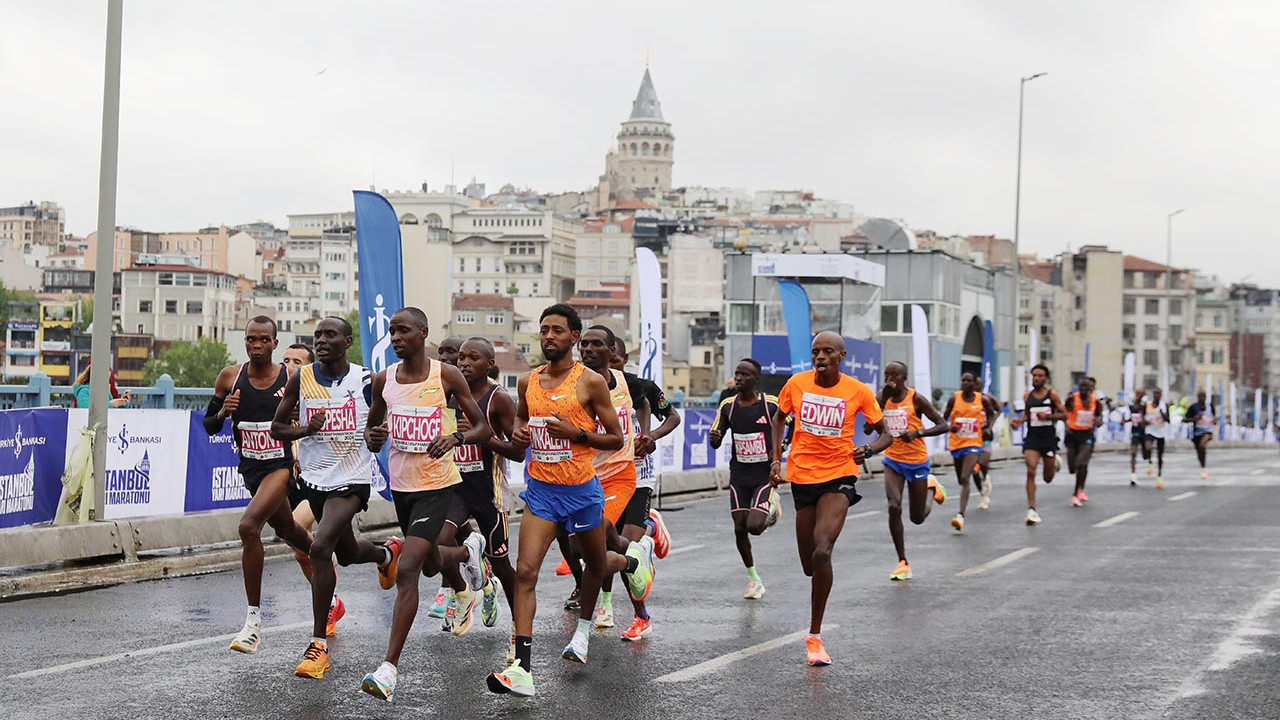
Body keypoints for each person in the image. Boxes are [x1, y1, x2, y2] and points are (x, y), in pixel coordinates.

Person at [486, 304, 654, 698]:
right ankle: (522, 668)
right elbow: (521, 422)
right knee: (525, 572)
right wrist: (520, 434)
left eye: (557, 330)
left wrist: (575, 434)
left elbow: (615, 438)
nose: (549, 336)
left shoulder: (590, 382)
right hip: (542, 492)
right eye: (544, 329)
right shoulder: (528, 381)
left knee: (595, 563)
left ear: (573, 337)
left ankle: (624, 571)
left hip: (582, 492)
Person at [358, 309, 493, 702]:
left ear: (423, 333)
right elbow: (372, 429)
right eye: (391, 332)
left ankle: (388, 669)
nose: (396, 338)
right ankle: (468, 551)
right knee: (432, 563)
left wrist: (455, 438)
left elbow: (481, 426)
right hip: (403, 487)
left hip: (438, 486)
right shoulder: (383, 380)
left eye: (403, 331)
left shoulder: (445, 376)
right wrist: (374, 437)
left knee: (409, 569)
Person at [270, 316, 404, 680]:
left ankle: (318, 646)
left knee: (319, 548)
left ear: (347, 342)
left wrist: (376, 437)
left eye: (330, 335)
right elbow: (277, 428)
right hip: (314, 481)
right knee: (346, 553)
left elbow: (377, 426)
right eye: (318, 335)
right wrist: (305, 429)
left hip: (352, 481)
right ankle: (386, 554)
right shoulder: (302, 378)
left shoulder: (366, 380)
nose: (321, 340)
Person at [770, 331, 890, 666]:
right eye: (815, 352)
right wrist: (776, 459)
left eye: (827, 351)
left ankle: (815, 637)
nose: (820, 357)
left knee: (823, 550)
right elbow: (779, 418)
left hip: (840, 475)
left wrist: (868, 450)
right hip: (802, 477)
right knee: (810, 565)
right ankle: (815, 614)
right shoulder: (796, 384)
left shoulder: (858, 390)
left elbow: (886, 434)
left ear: (841, 356)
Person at [204, 317, 316, 654]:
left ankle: (253, 623)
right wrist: (222, 412)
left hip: (280, 467)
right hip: (251, 468)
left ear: (275, 344)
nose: (257, 345)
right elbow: (209, 425)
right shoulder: (230, 377)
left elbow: (312, 416)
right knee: (288, 529)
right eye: (251, 339)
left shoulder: (291, 378)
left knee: (249, 527)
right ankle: (323, 565)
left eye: (264, 340)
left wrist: (300, 419)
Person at [441, 338, 522, 647]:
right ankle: (465, 591)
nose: (464, 363)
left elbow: (518, 452)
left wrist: (482, 437)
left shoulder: (498, 399)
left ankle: (518, 626)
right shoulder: (448, 395)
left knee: (501, 563)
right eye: (461, 357)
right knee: (439, 543)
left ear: (489, 364)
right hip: (455, 490)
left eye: (473, 358)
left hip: (490, 493)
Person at [278, 343, 347, 633]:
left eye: (297, 361)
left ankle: (328, 594)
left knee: (296, 528)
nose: (289, 366)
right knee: (299, 551)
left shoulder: (319, 392)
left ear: (309, 367)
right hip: (289, 480)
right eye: (286, 360)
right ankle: (331, 600)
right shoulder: (278, 393)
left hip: (319, 478)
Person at [709, 358, 781, 597]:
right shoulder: (728, 406)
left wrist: (779, 450)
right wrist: (715, 438)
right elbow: (716, 437)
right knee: (740, 528)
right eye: (737, 374)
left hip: (763, 475)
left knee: (754, 527)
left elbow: (789, 424)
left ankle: (772, 508)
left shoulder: (770, 404)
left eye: (745, 375)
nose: (739, 378)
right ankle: (754, 579)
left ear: (756, 379)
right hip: (739, 475)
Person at [877, 361, 948, 579]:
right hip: (893, 461)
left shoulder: (916, 399)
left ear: (904, 378)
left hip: (916, 461)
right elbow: (868, 428)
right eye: (886, 375)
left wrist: (917, 433)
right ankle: (903, 562)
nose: (889, 380)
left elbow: (943, 425)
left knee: (917, 518)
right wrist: (881, 401)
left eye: (894, 375)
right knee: (893, 505)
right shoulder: (882, 399)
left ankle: (931, 488)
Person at [941, 371, 998, 532]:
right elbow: (943, 419)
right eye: (963, 380)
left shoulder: (982, 399)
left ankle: (960, 515)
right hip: (957, 444)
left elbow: (993, 414)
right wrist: (949, 427)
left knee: (965, 477)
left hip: (974, 443)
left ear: (974, 384)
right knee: (961, 479)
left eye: (968, 380)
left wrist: (988, 427)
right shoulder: (954, 398)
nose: (965, 383)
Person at [1009, 364, 1066, 526]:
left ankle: (1054, 462)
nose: (1037, 378)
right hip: (1032, 438)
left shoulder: (1052, 395)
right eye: (1034, 375)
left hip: (1048, 438)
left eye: (1040, 376)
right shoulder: (1027, 396)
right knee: (1031, 470)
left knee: (1048, 478)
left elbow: (1065, 415)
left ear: (1046, 378)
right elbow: (1028, 415)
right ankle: (1031, 509)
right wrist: (1019, 422)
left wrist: (1048, 417)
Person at [1063, 376, 1103, 506]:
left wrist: (1098, 421)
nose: (1083, 389)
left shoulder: (1096, 401)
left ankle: (1077, 492)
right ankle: (1078, 488)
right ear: (1078, 388)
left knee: (1082, 463)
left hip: (1086, 435)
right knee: (1072, 467)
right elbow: (1063, 412)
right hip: (1072, 434)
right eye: (1081, 387)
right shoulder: (1072, 399)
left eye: (1086, 387)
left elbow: (1099, 416)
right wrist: (1066, 425)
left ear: (1091, 388)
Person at [972, 389, 1000, 510]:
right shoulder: (963, 401)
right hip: (971, 439)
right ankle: (982, 494)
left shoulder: (986, 399)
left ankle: (985, 476)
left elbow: (997, 411)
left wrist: (989, 427)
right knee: (973, 469)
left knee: (982, 462)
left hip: (985, 437)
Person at [1143, 388, 1171, 489]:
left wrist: (1162, 413)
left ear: (1161, 395)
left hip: (1160, 432)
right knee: (1148, 447)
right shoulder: (1148, 405)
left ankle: (1159, 475)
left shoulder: (1164, 405)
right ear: (1153, 395)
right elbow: (1143, 417)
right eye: (1155, 394)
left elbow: (1168, 420)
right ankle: (1150, 461)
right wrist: (1145, 422)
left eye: (1158, 394)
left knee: (1160, 455)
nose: (1156, 396)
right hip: (1150, 430)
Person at [1185, 389, 1216, 480]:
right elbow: (1185, 419)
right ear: (1197, 397)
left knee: (1202, 445)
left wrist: (1214, 421)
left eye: (1204, 396)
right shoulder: (1193, 407)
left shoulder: (1210, 406)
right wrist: (1195, 419)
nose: (1202, 398)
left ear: (1206, 397)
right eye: (1200, 396)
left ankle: (1203, 468)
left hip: (1207, 431)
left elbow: (1213, 417)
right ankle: (1203, 468)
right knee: (1199, 452)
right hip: (1196, 433)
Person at [1127, 391, 1149, 486]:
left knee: (1146, 454)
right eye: (1137, 394)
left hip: (1144, 432)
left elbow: (1148, 418)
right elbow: (1132, 417)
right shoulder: (1132, 405)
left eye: (1140, 394)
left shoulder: (1145, 405)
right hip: (1135, 432)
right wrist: (1125, 421)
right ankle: (1133, 475)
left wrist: (1144, 421)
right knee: (1133, 453)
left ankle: (1147, 456)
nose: (1138, 396)